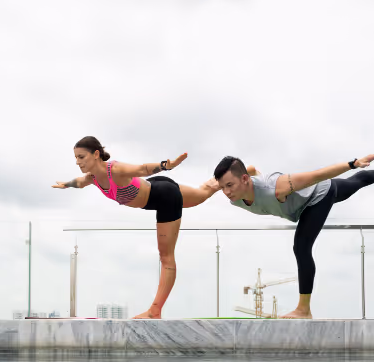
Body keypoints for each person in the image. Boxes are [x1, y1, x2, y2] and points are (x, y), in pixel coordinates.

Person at [54, 136, 245, 319]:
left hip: (164, 197)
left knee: (166, 257)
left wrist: (165, 166)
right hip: (155, 189)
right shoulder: (93, 178)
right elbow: (79, 182)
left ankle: (155, 310)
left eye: (81, 157)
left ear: (96, 154)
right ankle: (242, 174)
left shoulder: (115, 170)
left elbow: (142, 169)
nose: (78, 162)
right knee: (202, 194)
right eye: (76, 158)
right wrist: (66, 184)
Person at [214, 153, 374, 319]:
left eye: (229, 185)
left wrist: (353, 163)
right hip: (312, 196)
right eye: (222, 187)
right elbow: (249, 170)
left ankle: (304, 309)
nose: (225, 192)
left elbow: (316, 175)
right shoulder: (235, 191)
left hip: (317, 196)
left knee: (301, 247)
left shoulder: (277, 186)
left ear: (244, 180)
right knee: (354, 183)